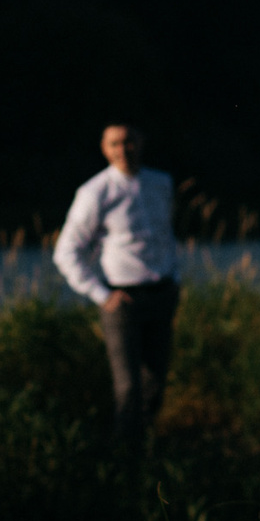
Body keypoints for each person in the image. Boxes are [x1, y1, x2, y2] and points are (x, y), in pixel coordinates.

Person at [52, 122, 179, 463]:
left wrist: (174, 276)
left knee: (155, 383)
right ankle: (124, 464)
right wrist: (100, 293)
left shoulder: (160, 183)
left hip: (162, 295)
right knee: (128, 389)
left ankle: (149, 455)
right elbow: (66, 252)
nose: (123, 149)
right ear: (104, 149)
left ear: (141, 142)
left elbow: (165, 236)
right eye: (114, 144)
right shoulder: (95, 192)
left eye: (129, 141)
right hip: (122, 301)